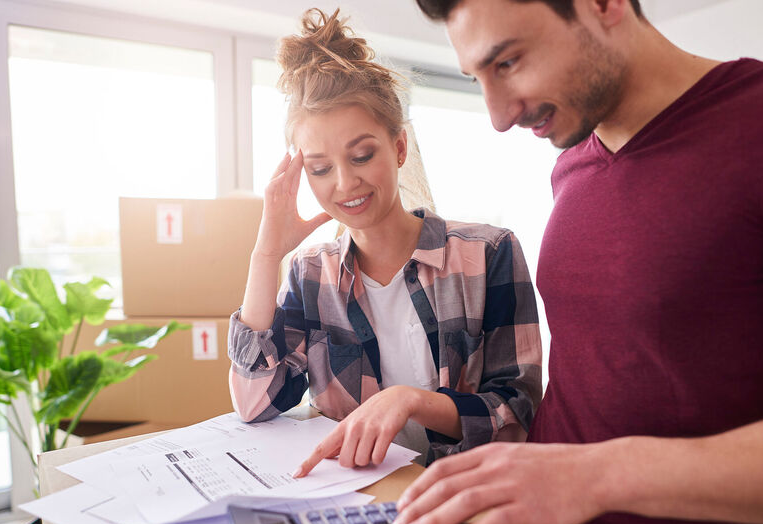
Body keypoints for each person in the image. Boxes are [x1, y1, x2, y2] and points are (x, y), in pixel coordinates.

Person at [390, 0, 763, 524]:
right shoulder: (573, 166)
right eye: (478, 79)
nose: (498, 116)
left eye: (507, 61)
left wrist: (595, 475)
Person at [227, 8, 542, 474]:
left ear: (398, 148)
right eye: (319, 168)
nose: (344, 183)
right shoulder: (310, 273)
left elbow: (517, 415)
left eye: (361, 155)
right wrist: (265, 255)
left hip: (463, 500)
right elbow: (255, 405)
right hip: (357, 504)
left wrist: (411, 403)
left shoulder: (488, 254)